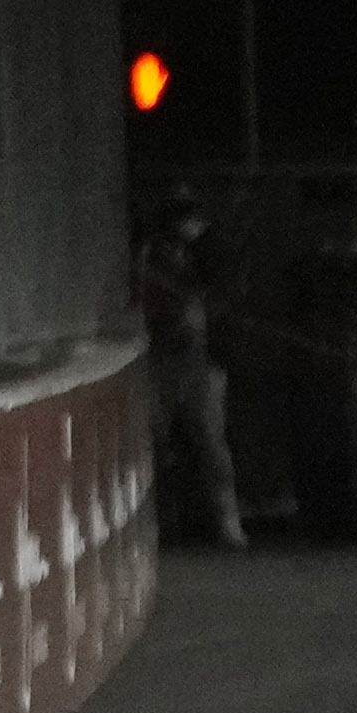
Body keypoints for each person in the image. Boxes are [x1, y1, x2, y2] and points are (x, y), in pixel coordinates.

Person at [137, 203, 249, 554]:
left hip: (201, 361)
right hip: (165, 356)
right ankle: (165, 522)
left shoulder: (212, 253)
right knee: (159, 441)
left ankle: (227, 523)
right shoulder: (153, 253)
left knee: (210, 441)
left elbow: (218, 297)